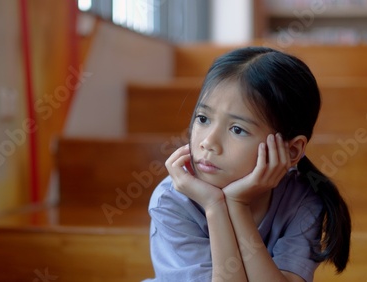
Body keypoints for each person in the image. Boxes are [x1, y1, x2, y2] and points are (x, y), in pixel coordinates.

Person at [145, 46, 351, 282]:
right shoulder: (172, 200)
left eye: (237, 129)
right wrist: (214, 206)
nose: (209, 142)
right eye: (203, 118)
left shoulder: (302, 200)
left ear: (291, 150)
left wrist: (236, 204)